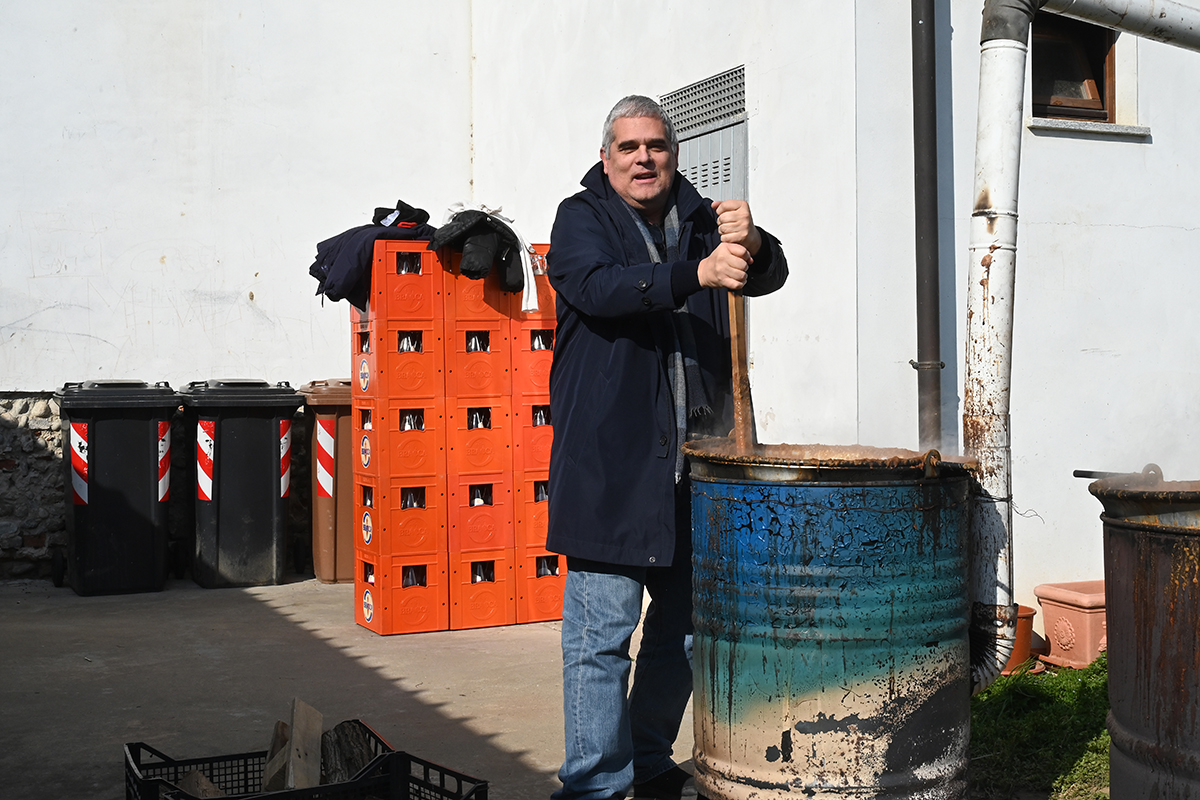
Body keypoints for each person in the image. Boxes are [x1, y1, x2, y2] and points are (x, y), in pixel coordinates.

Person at [544, 95, 788, 800]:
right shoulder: (580, 218)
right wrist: (697, 274)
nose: (643, 158)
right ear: (606, 158)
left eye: (655, 146)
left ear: (674, 155)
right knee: (599, 642)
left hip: (694, 467)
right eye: (629, 148)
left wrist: (756, 241)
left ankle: (647, 764)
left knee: (684, 633)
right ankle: (594, 787)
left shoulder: (705, 219)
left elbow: (768, 275)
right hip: (611, 469)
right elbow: (597, 287)